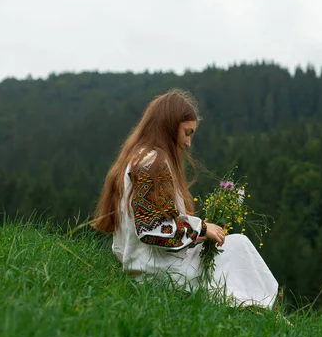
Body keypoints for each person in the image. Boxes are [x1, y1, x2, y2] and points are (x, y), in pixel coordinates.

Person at [91, 89, 279, 309]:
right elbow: (151, 230)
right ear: (170, 126)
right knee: (239, 248)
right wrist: (201, 229)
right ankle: (257, 309)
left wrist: (201, 233)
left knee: (237, 246)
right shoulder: (152, 163)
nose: (188, 143)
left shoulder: (142, 157)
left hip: (149, 263)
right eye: (187, 133)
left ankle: (256, 307)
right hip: (155, 271)